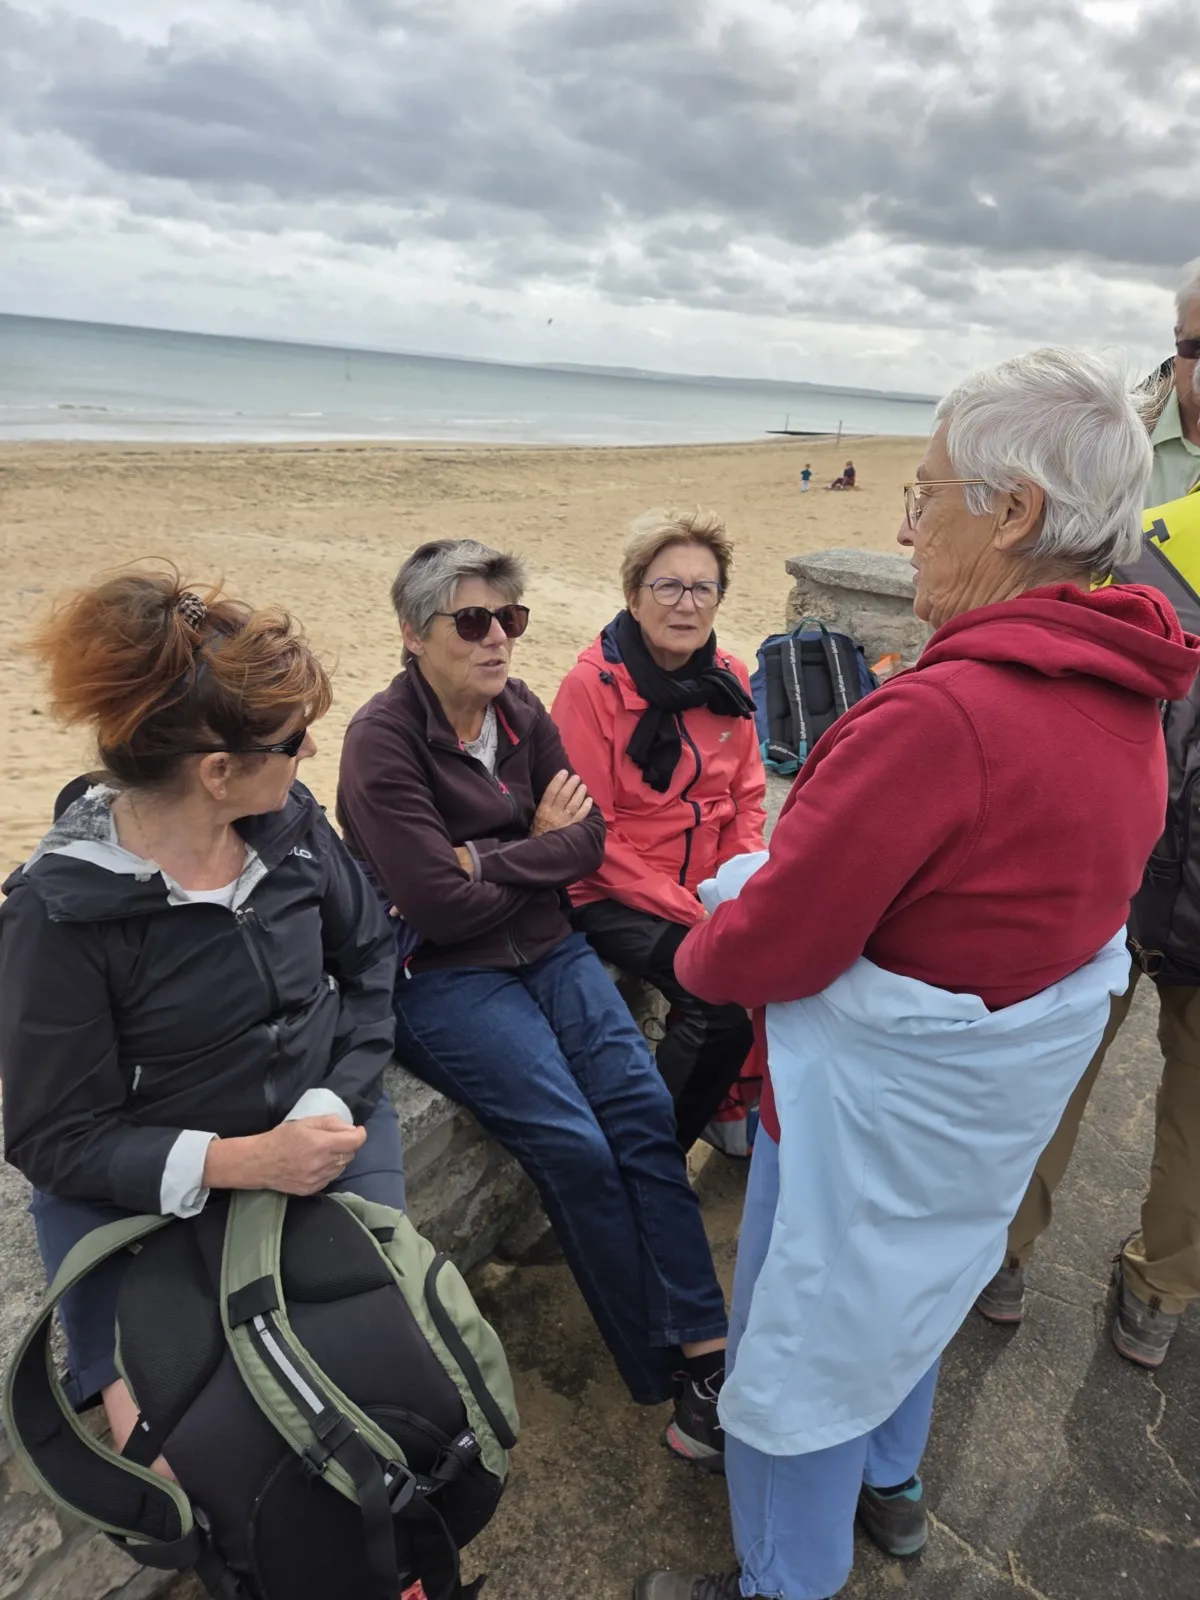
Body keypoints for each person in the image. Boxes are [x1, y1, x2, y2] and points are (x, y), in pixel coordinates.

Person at [635, 348, 1200, 1600]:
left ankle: (784, 1575)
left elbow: (778, 943)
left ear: (1016, 512)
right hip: (983, 1116)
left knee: (809, 1338)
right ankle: (892, 1480)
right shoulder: (1129, 688)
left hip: (865, 1120)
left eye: (926, 495)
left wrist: (701, 939)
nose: (906, 528)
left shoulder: (943, 721)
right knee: (921, 1280)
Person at [335, 539, 730, 1469]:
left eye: (508, 619)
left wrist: (484, 860)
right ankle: (657, 1367)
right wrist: (528, 851)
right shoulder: (381, 742)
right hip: (444, 976)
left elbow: (589, 840)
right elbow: (436, 909)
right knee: (574, 1147)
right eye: (472, 621)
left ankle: (709, 1354)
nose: (497, 638)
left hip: (550, 948)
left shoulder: (517, 709)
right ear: (412, 633)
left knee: (641, 1113)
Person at [0, 571, 402, 1470]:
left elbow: (372, 961)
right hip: (142, 1193)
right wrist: (241, 1162)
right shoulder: (58, 916)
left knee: (376, 1395)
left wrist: (333, 1099)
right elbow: (54, 1137)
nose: (310, 751)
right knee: (185, 1465)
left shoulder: (292, 826)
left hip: (325, 1130)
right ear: (217, 772)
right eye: (293, 740)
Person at [977, 257, 1200, 1364]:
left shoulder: (1150, 495)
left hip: (1162, 847)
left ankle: (1151, 1287)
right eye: (1192, 346)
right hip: (1114, 841)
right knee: (1050, 1059)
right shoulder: (1134, 472)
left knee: (1188, 1111)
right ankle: (1008, 1254)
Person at [551, 510, 765, 1149]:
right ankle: (651, 1157)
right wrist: (692, 911)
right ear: (633, 595)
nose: (686, 604)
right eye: (668, 586)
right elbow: (592, 833)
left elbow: (745, 796)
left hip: (705, 885)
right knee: (719, 1009)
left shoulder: (729, 678)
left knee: (793, 959)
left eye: (703, 588)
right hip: (610, 893)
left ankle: (733, 1113)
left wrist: (738, 883)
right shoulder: (590, 689)